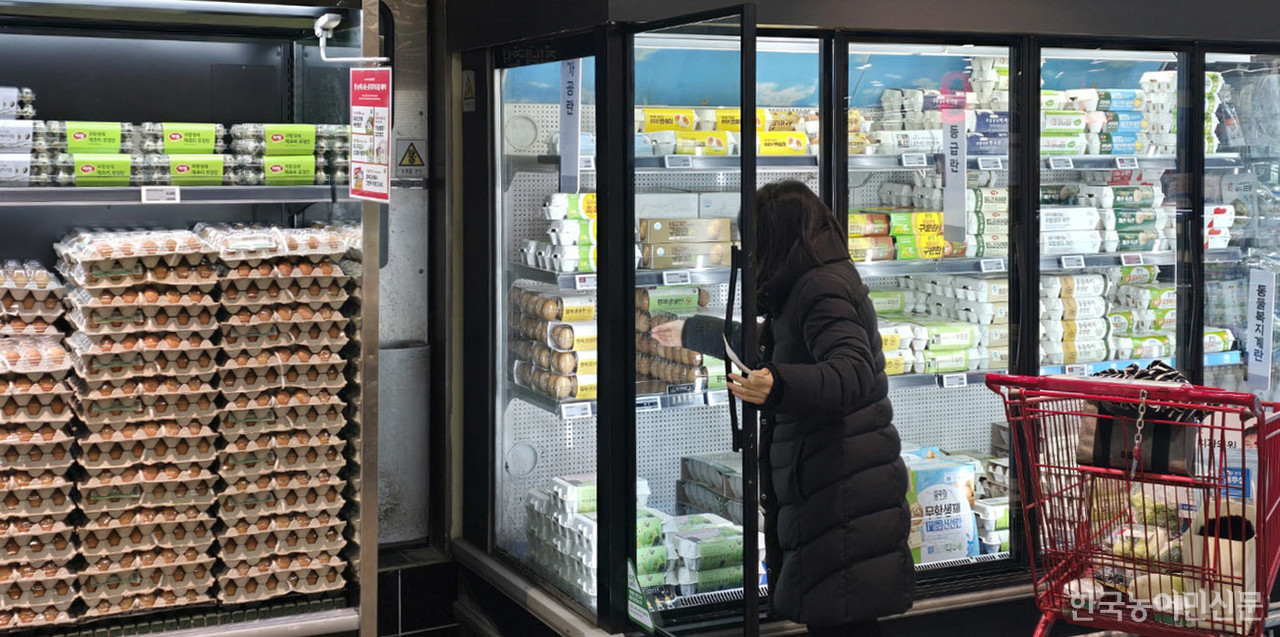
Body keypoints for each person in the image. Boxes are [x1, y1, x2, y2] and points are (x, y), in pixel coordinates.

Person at [652, 181, 914, 636]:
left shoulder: (822, 288)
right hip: (835, 483)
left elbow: (852, 372)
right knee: (840, 616)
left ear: (776, 237)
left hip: (842, 489)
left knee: (843, 619)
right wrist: (693, 331)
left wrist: (778, 385)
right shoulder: (808, 283)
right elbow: (779, 346)